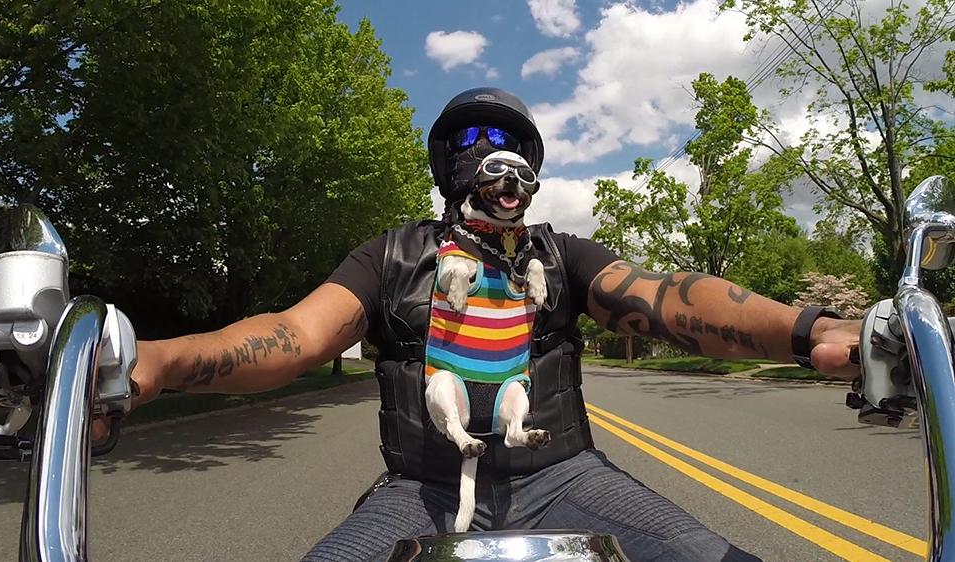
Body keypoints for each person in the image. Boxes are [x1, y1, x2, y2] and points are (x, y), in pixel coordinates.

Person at [125, 87, 860, 561]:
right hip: (422, 486)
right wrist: (155, 361)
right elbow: (293, 338)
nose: (490, 153)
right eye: (473, 136)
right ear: (449, 163)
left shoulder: (561, 253)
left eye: (506, 143)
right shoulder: (388, 255)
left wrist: (812, 330)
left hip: (567, 474)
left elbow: (664, 296)